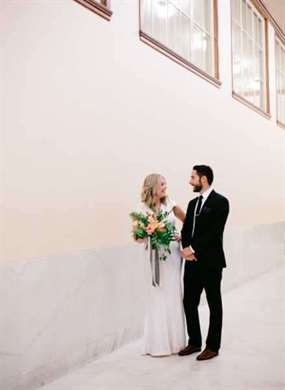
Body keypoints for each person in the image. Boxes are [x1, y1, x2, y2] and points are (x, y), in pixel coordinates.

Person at [179, 165, 229, 361]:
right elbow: (186, 230)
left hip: (211, 263)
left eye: (193, 177)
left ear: (204, 179)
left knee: (214, 303)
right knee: (189, 302)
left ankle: (212, 346)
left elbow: (214, 233)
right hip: (192, 262)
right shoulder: (192, 204)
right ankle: (194, 342)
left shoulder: (221, 202)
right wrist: (186, 250)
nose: (190, 181)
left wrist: (193, 248)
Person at [135, 173, 186, 356]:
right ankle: (157, 344)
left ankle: (175, 343)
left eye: (165, 183)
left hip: (171, 255)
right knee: (156, 295)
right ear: (153, 186)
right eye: (162, 184)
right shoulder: (141, 209)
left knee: (172, 293)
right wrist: (147, 234)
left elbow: (187, 221)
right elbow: (137, 238)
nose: (165, 187)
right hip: (152, 257)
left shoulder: (170, 205)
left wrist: (183, 236)